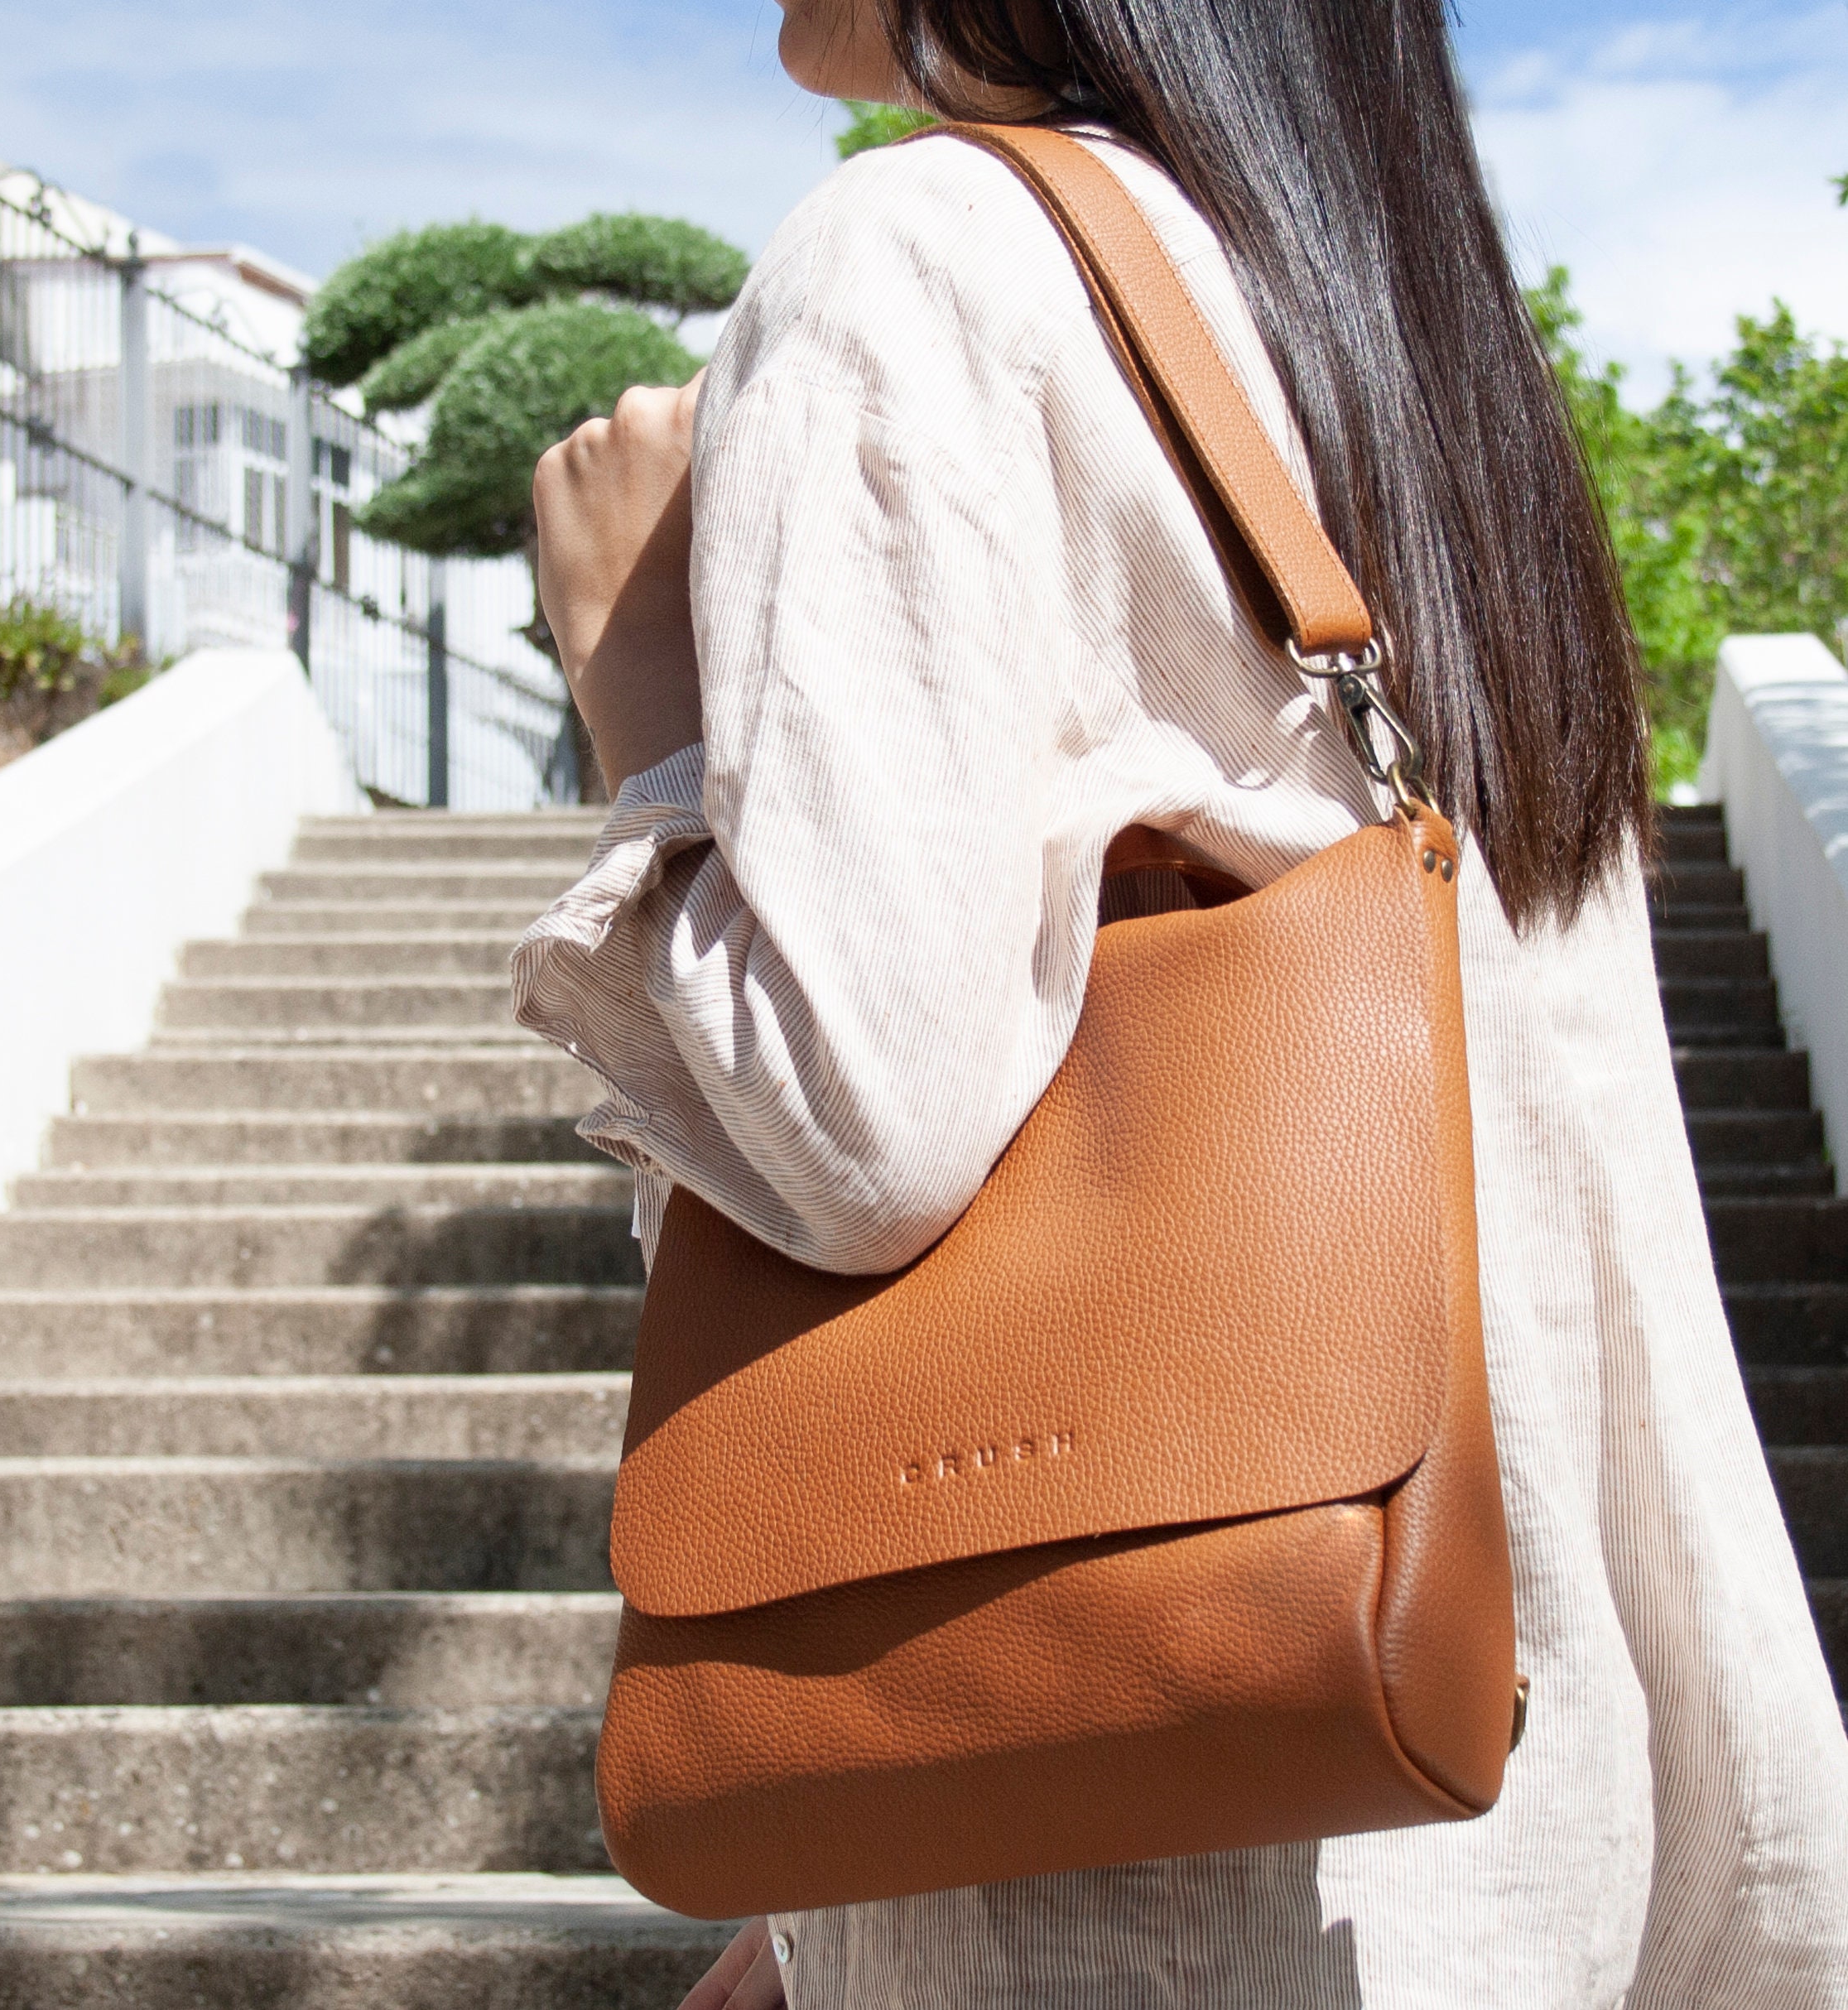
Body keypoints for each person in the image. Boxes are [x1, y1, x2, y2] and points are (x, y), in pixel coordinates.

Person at [513, 0, 1848, 2003]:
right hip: (1489, 1822)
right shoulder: (1405, 369)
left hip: (1129, 1873)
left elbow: (852, 1117)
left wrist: (642, 716)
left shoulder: (915, 252)